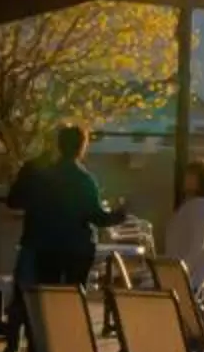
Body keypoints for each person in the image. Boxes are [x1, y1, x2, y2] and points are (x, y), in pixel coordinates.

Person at [7, 123, 125, 290]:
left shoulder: (39, 176)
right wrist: (119, 215)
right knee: (73, 295)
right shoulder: (83, 180)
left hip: (43, 248)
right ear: (81, 147)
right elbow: (96, 217)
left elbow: (14, 201)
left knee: (46, 295)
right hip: (76, 249)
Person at [167, 158, 204, 297]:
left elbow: (199, 244)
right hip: (187, 265)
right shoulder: (193, 204)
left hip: (193, 268)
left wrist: (182, 270)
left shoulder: (202, 205)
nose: (186, 179)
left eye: (191, 176)